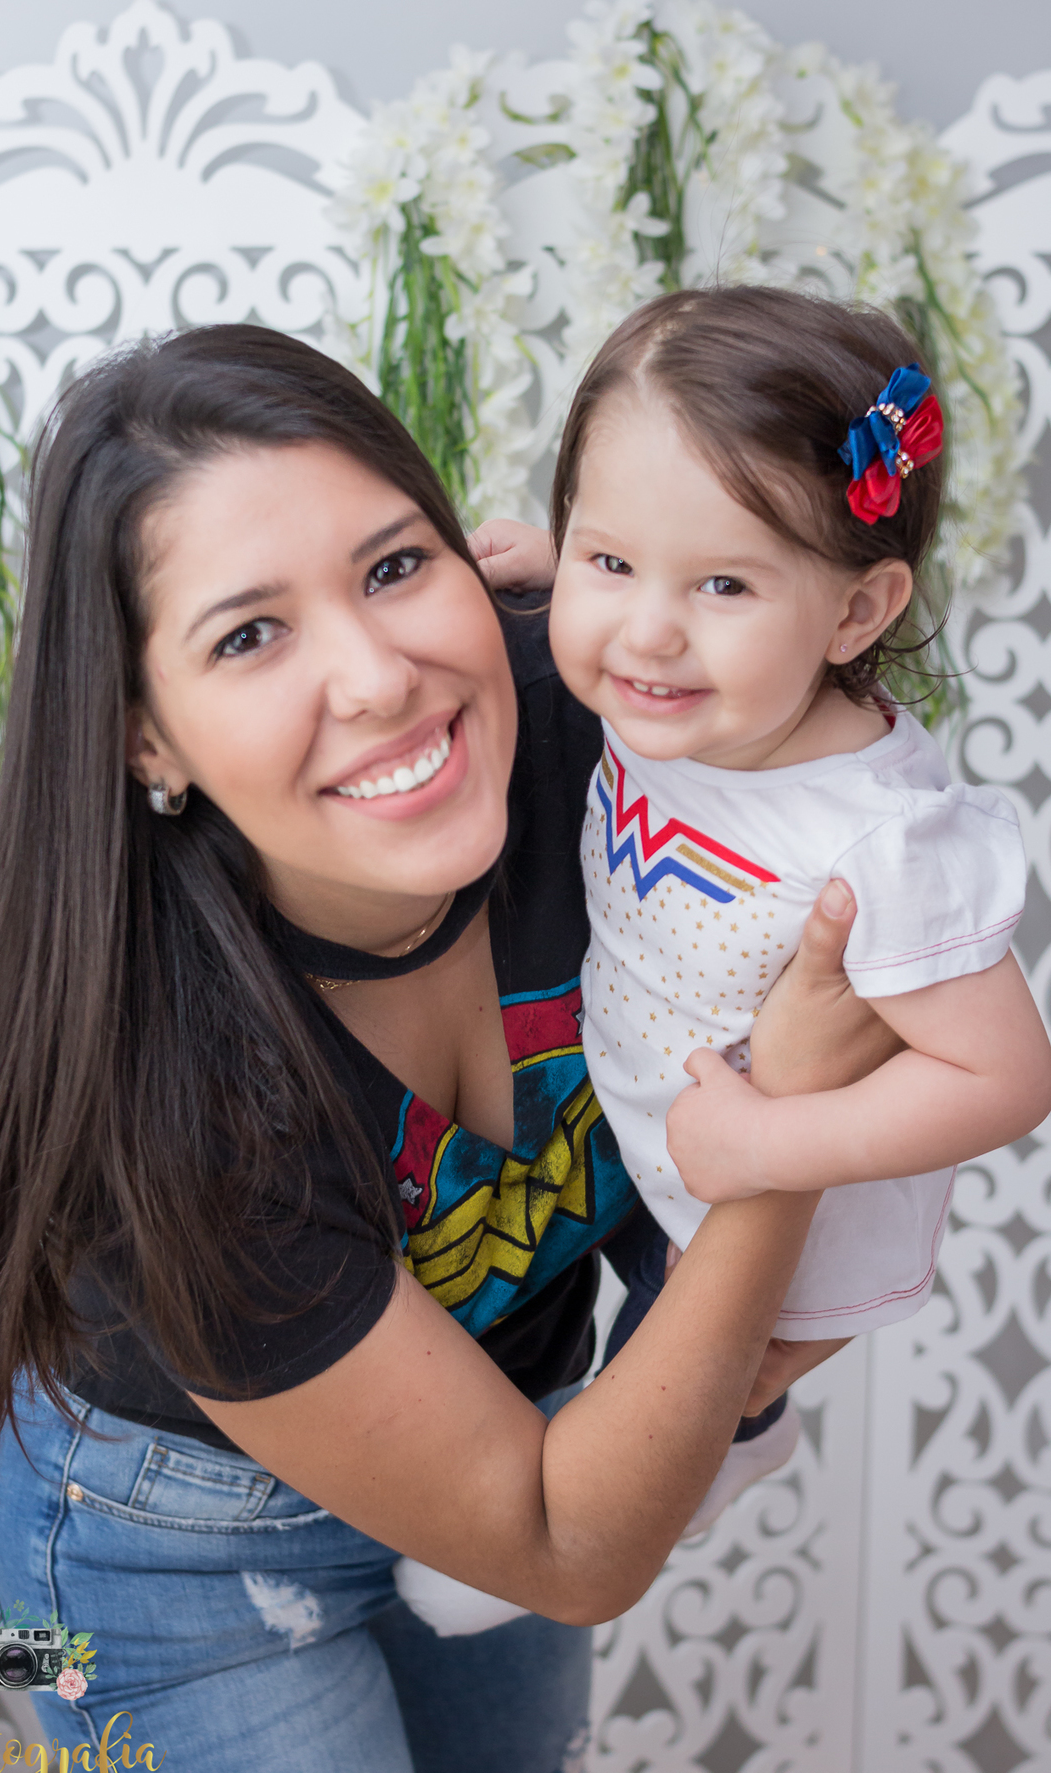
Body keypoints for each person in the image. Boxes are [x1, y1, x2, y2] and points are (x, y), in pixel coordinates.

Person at [0, 324, 901, 1773]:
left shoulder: (605, 754)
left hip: (507, 1461)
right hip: (171, 1553)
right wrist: (781, 1136)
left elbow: (871, 759)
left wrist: (642, 604)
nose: (379, 678)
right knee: (17, 1670)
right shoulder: (168, 1104)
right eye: (249, 633)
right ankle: (19, 1655)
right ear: (143, 738)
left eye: (394, 567)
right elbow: (573, 1551)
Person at [449, 289, 1051, 1590]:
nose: (650, 633)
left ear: (854, 614)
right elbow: (648, 607)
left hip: (779, 1198)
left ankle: (730, 1438)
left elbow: (1006, 1075)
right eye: (613, 561)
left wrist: (774, 1145)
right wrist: (578, 585)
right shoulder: (689, 691)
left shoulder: (876, 838)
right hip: (652, 1104)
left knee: (697, 1372)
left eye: (723, 582)